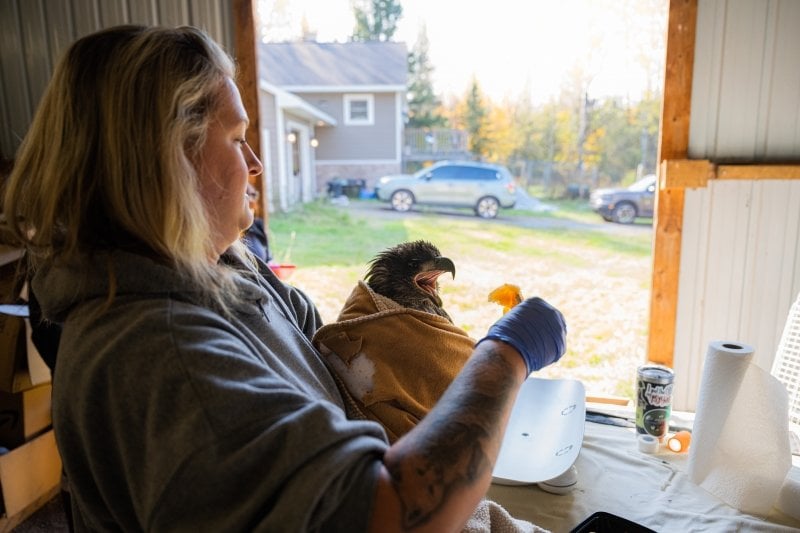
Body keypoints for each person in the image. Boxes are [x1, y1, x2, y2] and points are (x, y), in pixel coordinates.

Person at [1, 25, 567, 532]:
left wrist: (395, 301)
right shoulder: (160, 354)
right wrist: (504, 354)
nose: (256, 162)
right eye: (235, 138)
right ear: (166, 161)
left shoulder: (221, 266)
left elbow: (319, 351)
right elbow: (393, 515)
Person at [243, 183, 273, 263]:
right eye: (246, 195)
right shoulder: (230, 232)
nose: (251, 200)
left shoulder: (258, 225)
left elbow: (269, 258)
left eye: (253, 195)